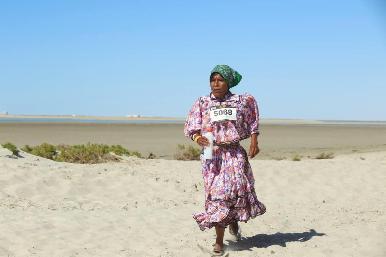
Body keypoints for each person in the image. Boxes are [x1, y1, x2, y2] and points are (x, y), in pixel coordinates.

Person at [184, 64, 266, 255]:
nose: (215, 83)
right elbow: (191, 128)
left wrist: (254, 140)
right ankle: (225, 229)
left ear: (228, 82)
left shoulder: (240, 101)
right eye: (212, 80)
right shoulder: (202, 103)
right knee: (216, 196)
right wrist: (198, 138)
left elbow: (253, 116)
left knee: (229, 193)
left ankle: (221, 238)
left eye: (220, 80)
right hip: (211, 155)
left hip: (234, 153)